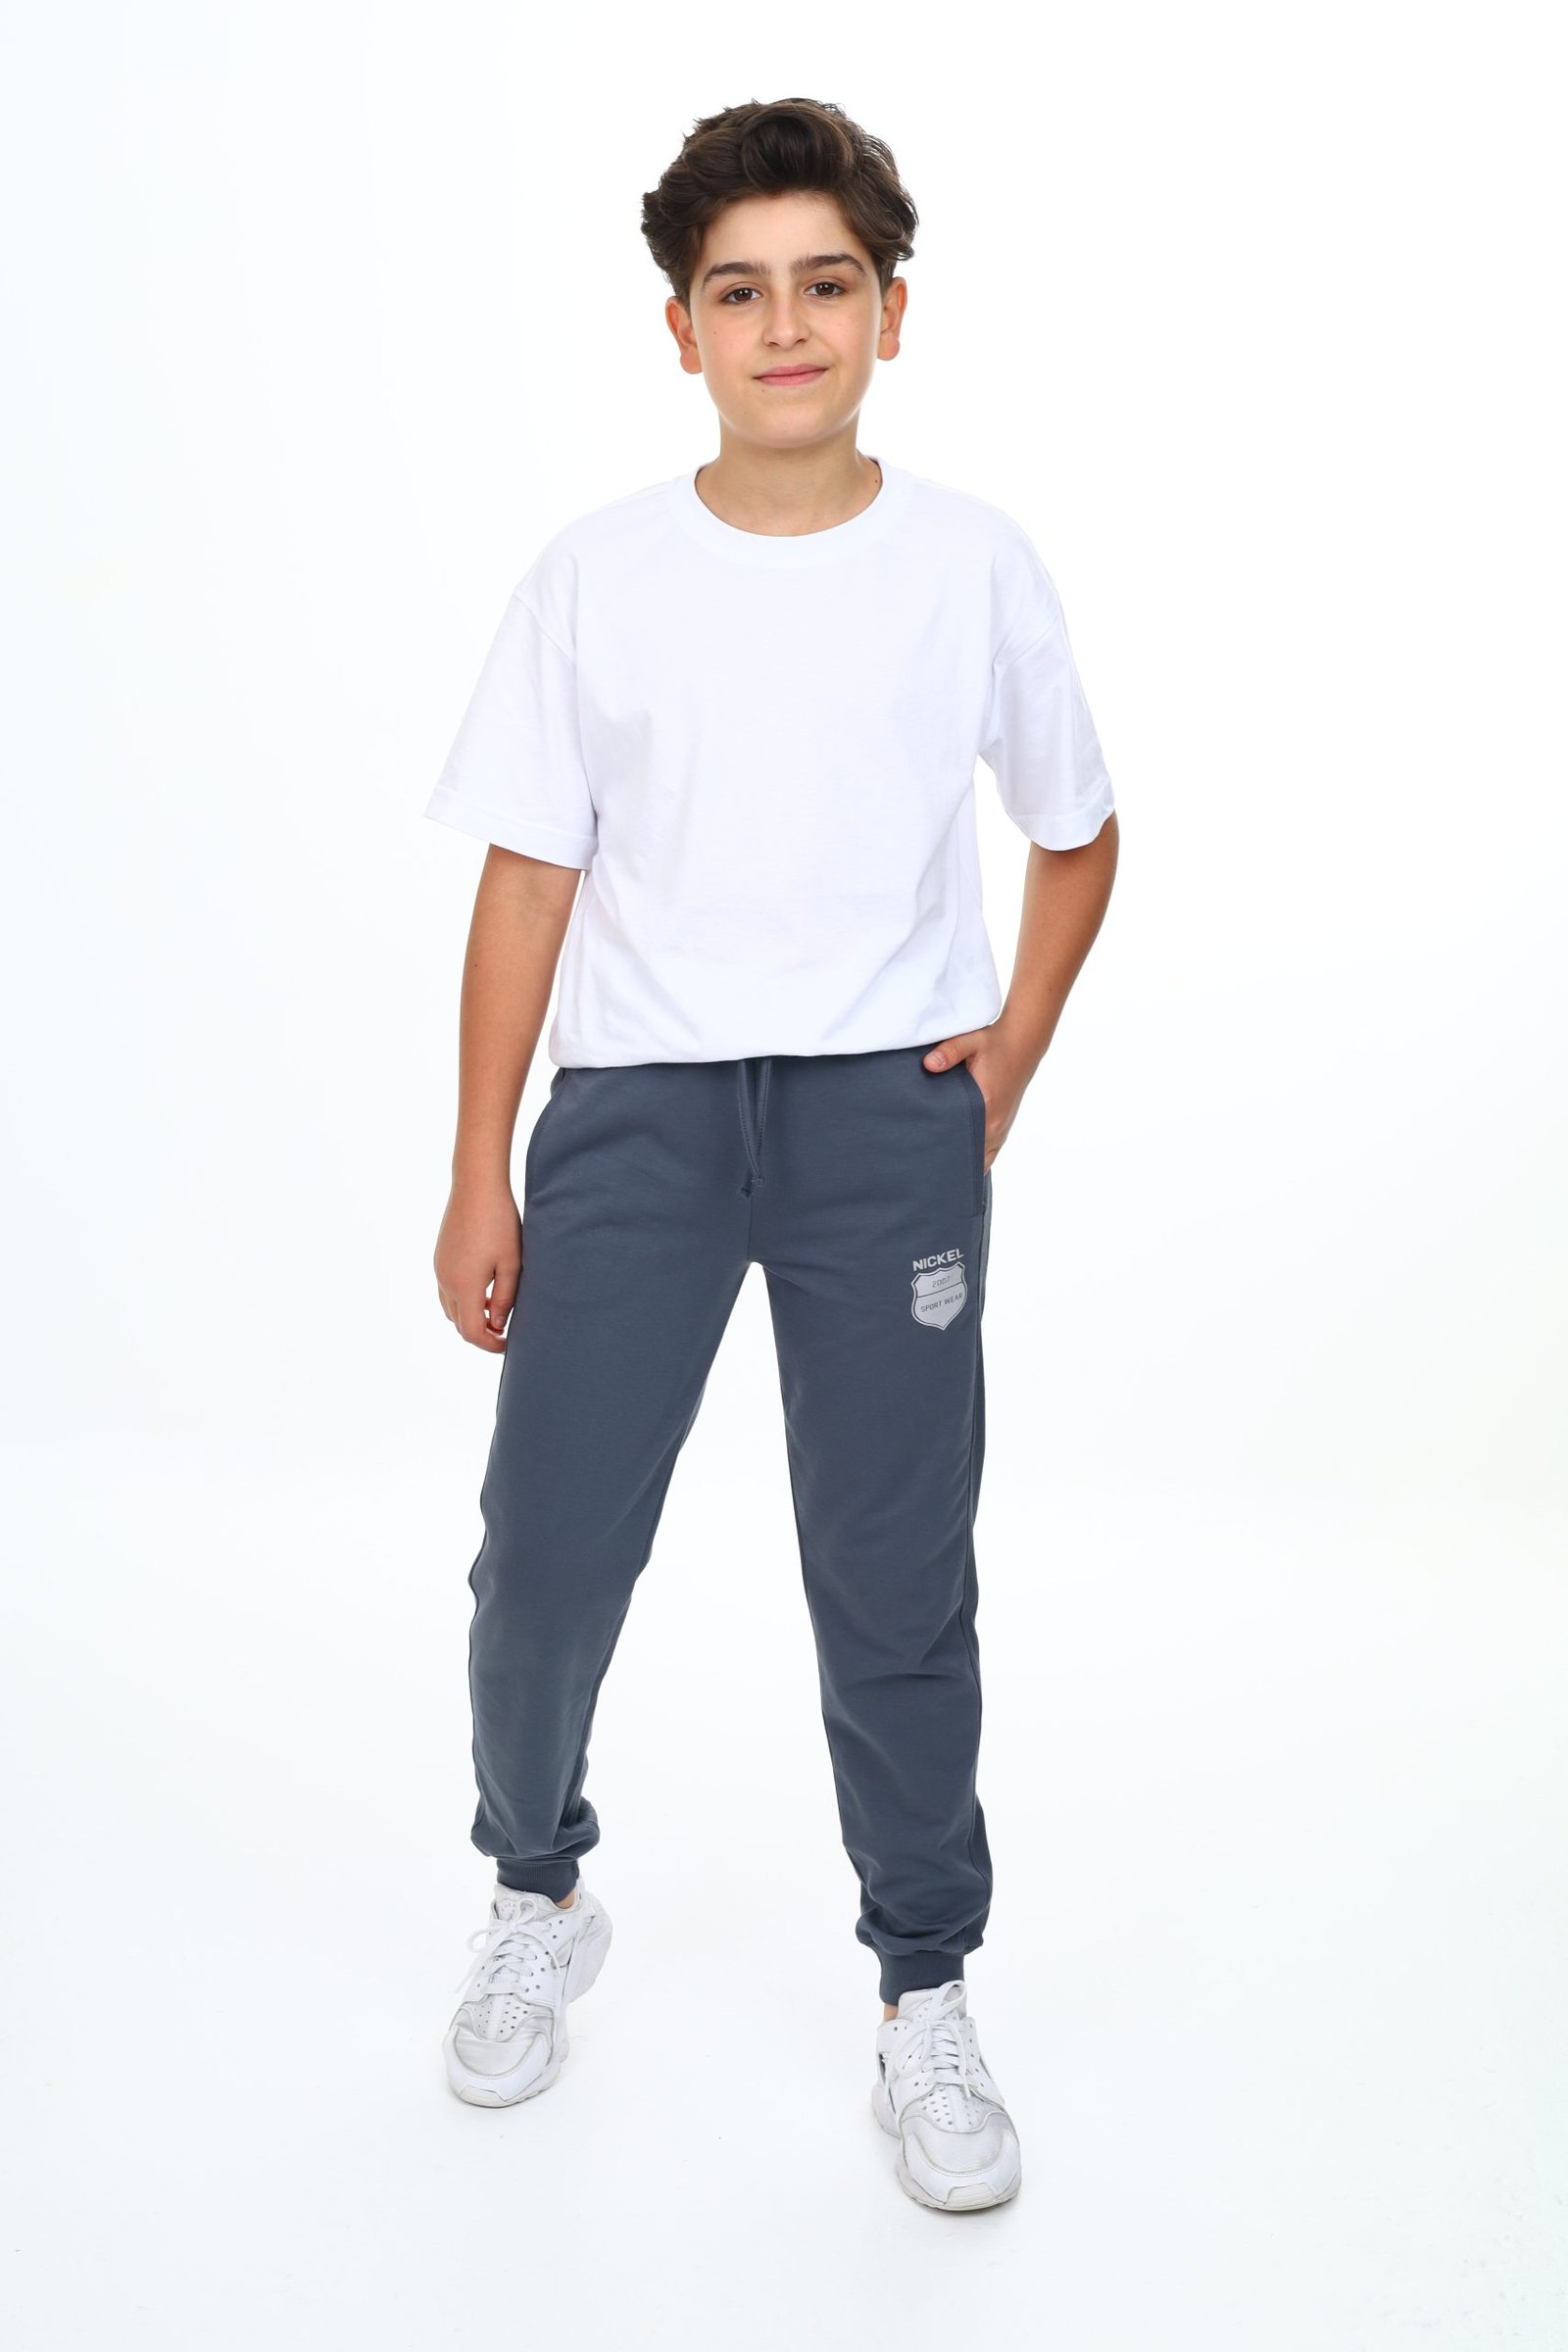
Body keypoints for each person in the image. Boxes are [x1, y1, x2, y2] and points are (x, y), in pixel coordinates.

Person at [423, 96, 1118, 2213]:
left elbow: (1078, 831)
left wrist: (1004, 1056)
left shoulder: (971, 562)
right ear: (682, 330)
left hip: (878, 1124)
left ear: (892, 311)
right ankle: (535, 1887)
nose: (785, 324)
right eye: (741, 291)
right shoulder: (597, 576)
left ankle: (925, 1991)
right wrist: (478, 1166)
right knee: (545, 1561)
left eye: (827, 283)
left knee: (892, 1578)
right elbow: (528, 879)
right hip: (636, 1116)